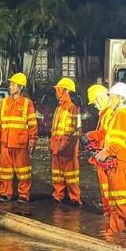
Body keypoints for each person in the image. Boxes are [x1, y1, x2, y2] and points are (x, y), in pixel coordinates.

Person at [95, 81, 126, 234]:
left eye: (112, 97)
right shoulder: (118, 113)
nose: (109, 99)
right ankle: (116, 228)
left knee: (120, 195)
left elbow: (117, 139)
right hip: (117, 161)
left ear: (120, 98)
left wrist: (106, 152)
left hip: (122, 162)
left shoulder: (123, 114)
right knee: (114, 197)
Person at [0, 72, 38, 204]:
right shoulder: (3, 102)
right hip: (5, 143)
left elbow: (32, 124)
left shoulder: (27, 103)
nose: (10, 86)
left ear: (20, 87)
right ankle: (5, 193)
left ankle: (24, 195)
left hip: (21, 144)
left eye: (13, 84)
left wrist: (32, 141)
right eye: (10, 84)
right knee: (4, 171)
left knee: (23, 172)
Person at [49, 77, 82, 205]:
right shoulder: (59, 108)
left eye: (58, 90)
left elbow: (75, 130)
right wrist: (52, 144)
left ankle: (74, 198)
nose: (56, 93)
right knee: (57, 173)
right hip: (58, 146)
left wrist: (64, 145)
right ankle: (58, 195)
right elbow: (54, 128)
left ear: (65, 91)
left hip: (68, 148)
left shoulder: (71, 108)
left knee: (71, 174)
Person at [84, 83, 112, 213]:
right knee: (105, 186)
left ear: (100, 98)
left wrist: (88, 135)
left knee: (108, 187)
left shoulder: (108, 113)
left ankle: (110, 212)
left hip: (107, 156)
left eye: (95, 102)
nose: (95, 105)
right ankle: (108, 211)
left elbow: (103, 133)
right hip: (102, 156)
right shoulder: (105, 113)